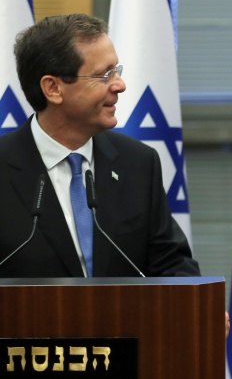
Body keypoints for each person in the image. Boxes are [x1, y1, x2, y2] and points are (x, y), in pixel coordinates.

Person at [0, 14, 199, 278]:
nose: (120, 85)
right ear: (53, 88)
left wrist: (190, 299)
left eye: (117, 71)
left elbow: (173, 265)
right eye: (104, 75)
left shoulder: (137, 162)